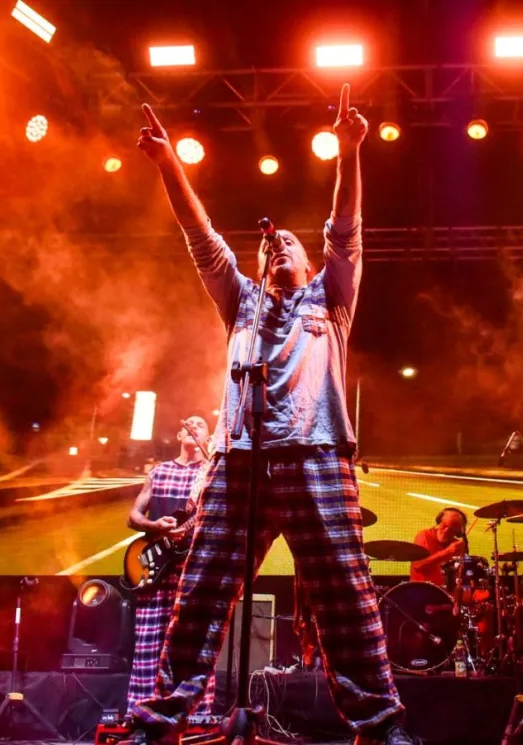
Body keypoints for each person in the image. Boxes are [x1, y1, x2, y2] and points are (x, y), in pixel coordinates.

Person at [127, 84, 412, 745]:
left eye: (289, 242)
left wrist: (349, 152)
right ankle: (161, 719)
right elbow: (201, 239)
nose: (277, 246)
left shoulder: (331, 299)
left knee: (345, 597)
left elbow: (347, 230)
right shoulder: (242, 304)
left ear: (308, 260)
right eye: (268, 245)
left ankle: (381, 723)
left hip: (317, 458)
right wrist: (171, 164)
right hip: (240, 464)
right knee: (200, 594)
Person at [125, 416, 216, 719]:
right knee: (149, 648)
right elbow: (133, 517)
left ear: (208, 437)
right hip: (155, 573)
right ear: (179, 434)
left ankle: (195, 717)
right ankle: (140, 715)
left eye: (200, 424)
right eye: (188, 423)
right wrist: (156, 526)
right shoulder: (159, 472)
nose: (192, 425)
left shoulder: (212, 475)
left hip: (193, 575)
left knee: (194, 646)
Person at [409, 508, 467, 585]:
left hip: (444, 591)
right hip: (420, 589)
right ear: (439, 521)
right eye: (444, 525)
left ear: (458, 531)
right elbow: (417, 566)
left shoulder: (457, 545)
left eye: (452, 529)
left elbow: (459, 576)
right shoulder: (424, 535)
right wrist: (446, 552)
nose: (446, 531)